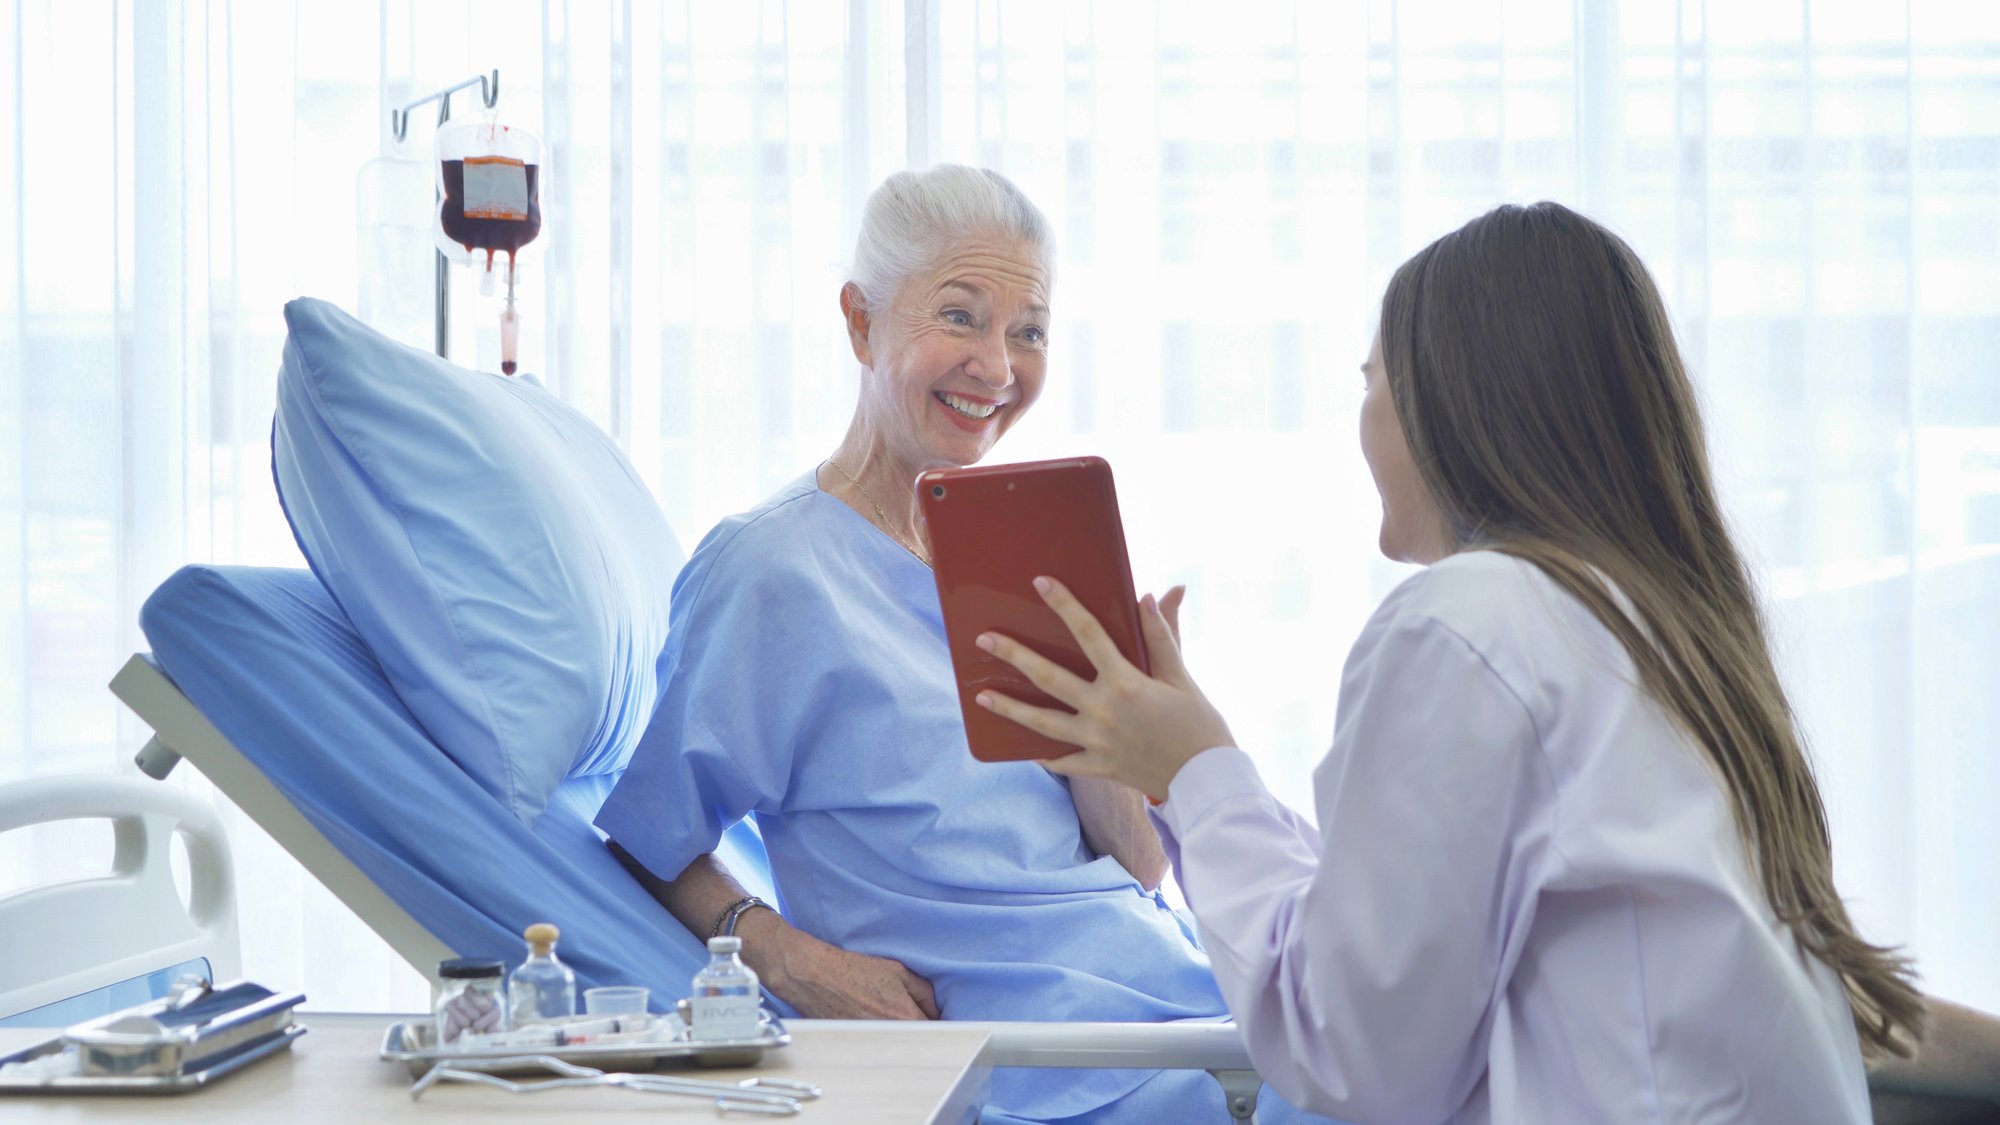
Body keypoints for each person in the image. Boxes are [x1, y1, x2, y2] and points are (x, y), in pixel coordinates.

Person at [973, 201, 2000, 1122]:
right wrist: (1200, 767)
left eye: (1368, 382)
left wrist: (1194, 778)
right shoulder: (1660, 629)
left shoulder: (1465, 620)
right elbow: (1419, 922)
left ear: (1441, 401)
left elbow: (1353, 1051)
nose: (1360, 418)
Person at [595, 165, 1342, 1124]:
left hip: (1174, 1002)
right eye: (960, 316)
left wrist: (1122, 721)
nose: (998, 367)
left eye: (1027, 330)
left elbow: (1137, 871)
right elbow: (652, 838)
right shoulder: (773, 571)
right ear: (862, 322)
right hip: (1039, 1068)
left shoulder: (1026, 554)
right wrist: (792, 957)